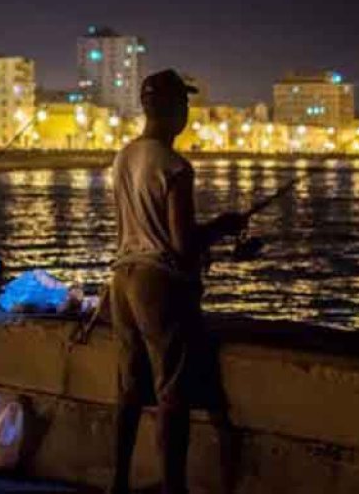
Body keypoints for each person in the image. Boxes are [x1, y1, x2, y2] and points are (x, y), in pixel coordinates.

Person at [109, 70, 247, 494]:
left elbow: (130, 229)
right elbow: (181, 243)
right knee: (172, 392)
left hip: (121, 279)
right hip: (158, 284)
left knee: (130, 389)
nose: (187, 112)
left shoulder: (124, 156)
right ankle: (173, 487)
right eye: (184, 104)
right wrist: (222, 228)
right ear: (171, 110)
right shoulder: (174, 166)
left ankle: (118, 483)